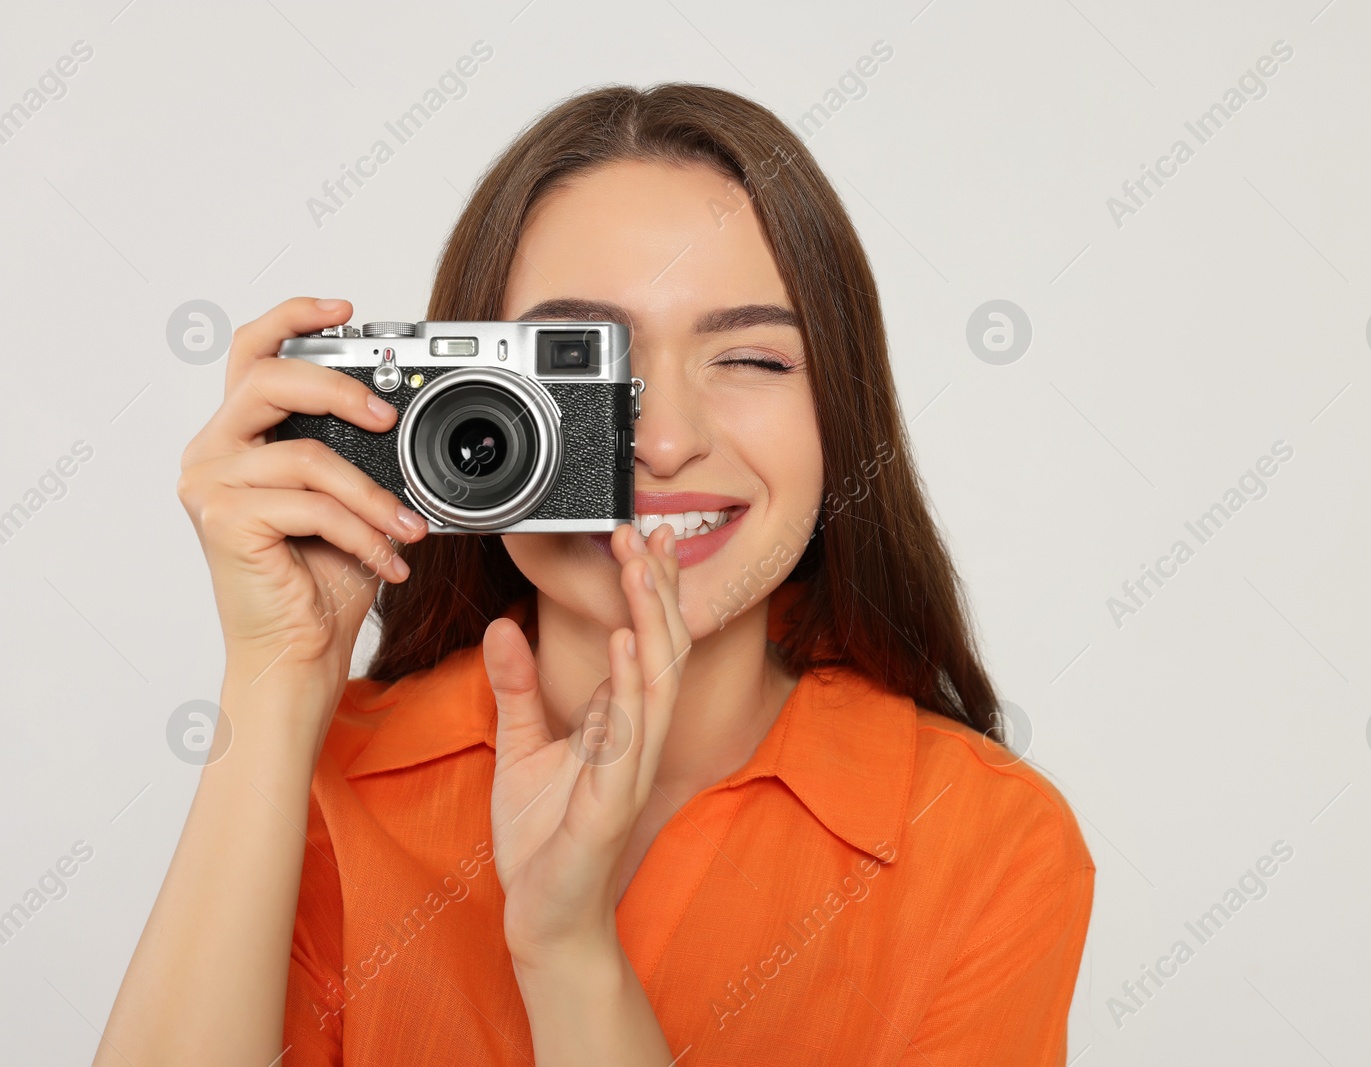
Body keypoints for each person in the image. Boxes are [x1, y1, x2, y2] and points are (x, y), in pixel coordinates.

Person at [97, 83, 1094, 1065]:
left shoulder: (984, 839)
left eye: (749, 358)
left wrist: (566, 953)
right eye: (579, 362)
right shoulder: (320, 787)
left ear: (843, 410)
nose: (661, 440)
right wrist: (275, 680)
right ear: (458, 409)